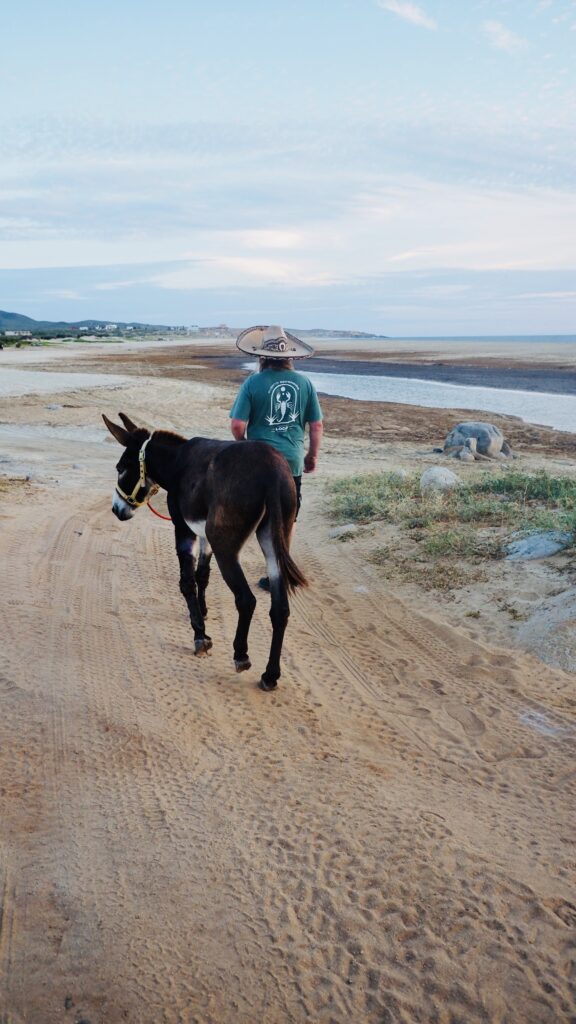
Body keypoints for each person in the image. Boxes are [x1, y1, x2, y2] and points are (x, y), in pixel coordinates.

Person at [229, 324, 324, 590]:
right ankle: (279, 572)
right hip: (290, 463)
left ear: (262, 356)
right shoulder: (304, 383)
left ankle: (268, 565)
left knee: (259, 516)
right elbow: (316, 426)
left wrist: (246, 447)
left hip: (259, 462)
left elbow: (237, 425)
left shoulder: (253, 382)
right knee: (287, 518)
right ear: (289, 356)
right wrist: (311, 457)